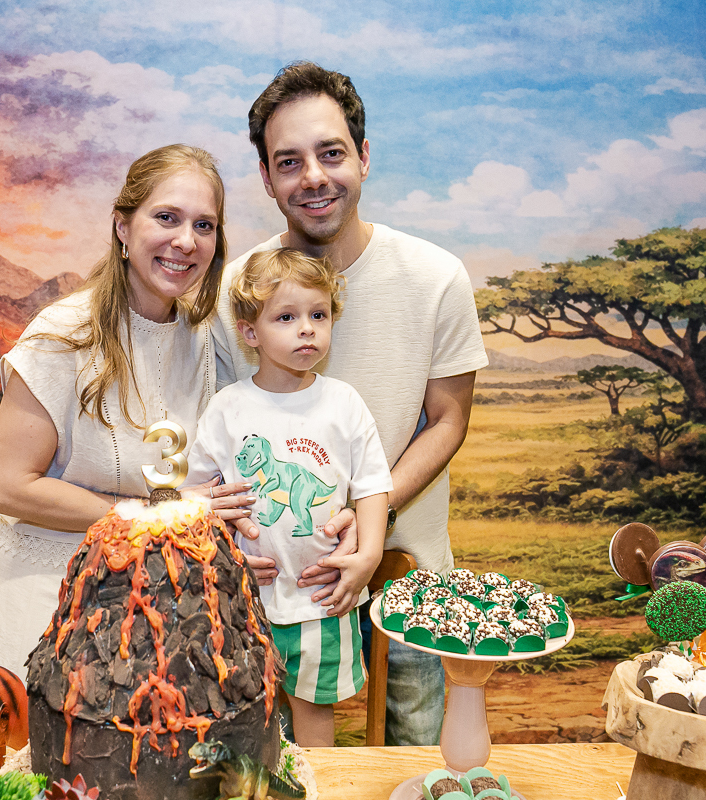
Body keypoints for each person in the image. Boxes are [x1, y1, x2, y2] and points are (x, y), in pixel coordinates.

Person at [212, 62, 489, 746]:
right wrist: (227, 539)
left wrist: (369, 521)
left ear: (363, 158)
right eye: (289, 161)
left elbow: (448, 418)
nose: (313, 176)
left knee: (415, 753)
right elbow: (221, 441)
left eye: (331, 153)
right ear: (268, 179)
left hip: (407, 572)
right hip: (274, 584)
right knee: (276, 763)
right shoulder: (235, 290)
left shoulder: (435, 277)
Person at [0, 144, 252, 679]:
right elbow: (8, 487)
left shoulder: (205, 340)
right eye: (166, 217)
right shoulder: (63, 337)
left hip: (156, 610)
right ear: (123, 226)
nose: (185, 241)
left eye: (204, 225)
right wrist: (155, 513)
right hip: (48, 604)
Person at [185, 247, 393, 747]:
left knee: (315, 722)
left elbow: (371, 484)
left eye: (318, 315)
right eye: (287, 317)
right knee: (239, 720)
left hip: (322, 598)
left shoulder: (343, 402)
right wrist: (224, 554)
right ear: (250, 332)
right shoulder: (228, 408)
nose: (307, 328)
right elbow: (198, 497)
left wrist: (369, 555)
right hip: (241, 600)